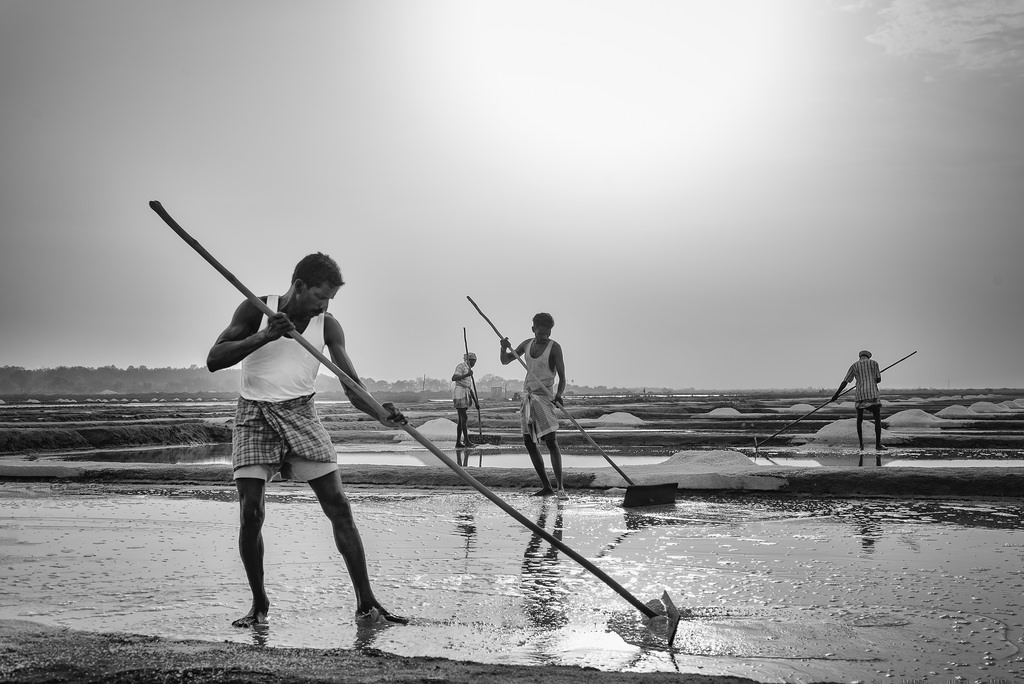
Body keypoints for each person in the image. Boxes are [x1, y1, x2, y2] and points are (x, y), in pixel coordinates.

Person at [206, 252, 408, 629]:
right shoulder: (255, 309)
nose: (324, 305)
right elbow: (215, 359)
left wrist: (381, 414)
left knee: (339, 506)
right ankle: (259, 605)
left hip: (301, 413)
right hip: (254, 415)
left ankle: (367, 604)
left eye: (330, 299)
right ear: (298, 286)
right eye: (320, 296)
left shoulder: (327, 326)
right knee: (251, 513)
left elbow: (352, 385)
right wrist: (266, 334)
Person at [499, 312, 567, 498]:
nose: (544, 337)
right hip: (528, 397)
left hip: (544, 397)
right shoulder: (527, 344)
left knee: (551, 441)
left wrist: (559, 394)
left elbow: (562, 377)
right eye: (540, 333)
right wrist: (503, 348)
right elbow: (505, 361)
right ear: (533, 330)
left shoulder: (554, 348)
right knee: (529, 442)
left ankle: (560, 487)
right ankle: (547, 487)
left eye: (547, 333)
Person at [831, 349, 887, 463]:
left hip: (860, 395)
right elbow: (879, 379)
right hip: (872, 394)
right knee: (877, 419)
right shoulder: (874, 363)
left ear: (860, 357)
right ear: (868, 357)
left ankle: (861, 445)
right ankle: (878, 444)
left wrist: (836, 395)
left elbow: (845, 381)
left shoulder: (854, 366)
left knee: (859, 420)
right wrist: (872, 379)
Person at [451, 352, 478, 448]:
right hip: (459, 393)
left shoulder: (469, 370)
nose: (474, 364)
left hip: (466, 393)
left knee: (461, 420)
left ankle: (458, 443)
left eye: (475, 362)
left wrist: (476, 402)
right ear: (468, 360)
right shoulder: (461, 367)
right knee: (464, 418)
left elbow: (469, 388)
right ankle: (466, 441)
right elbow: (454, 378)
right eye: (473, 361)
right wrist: (466, 374)